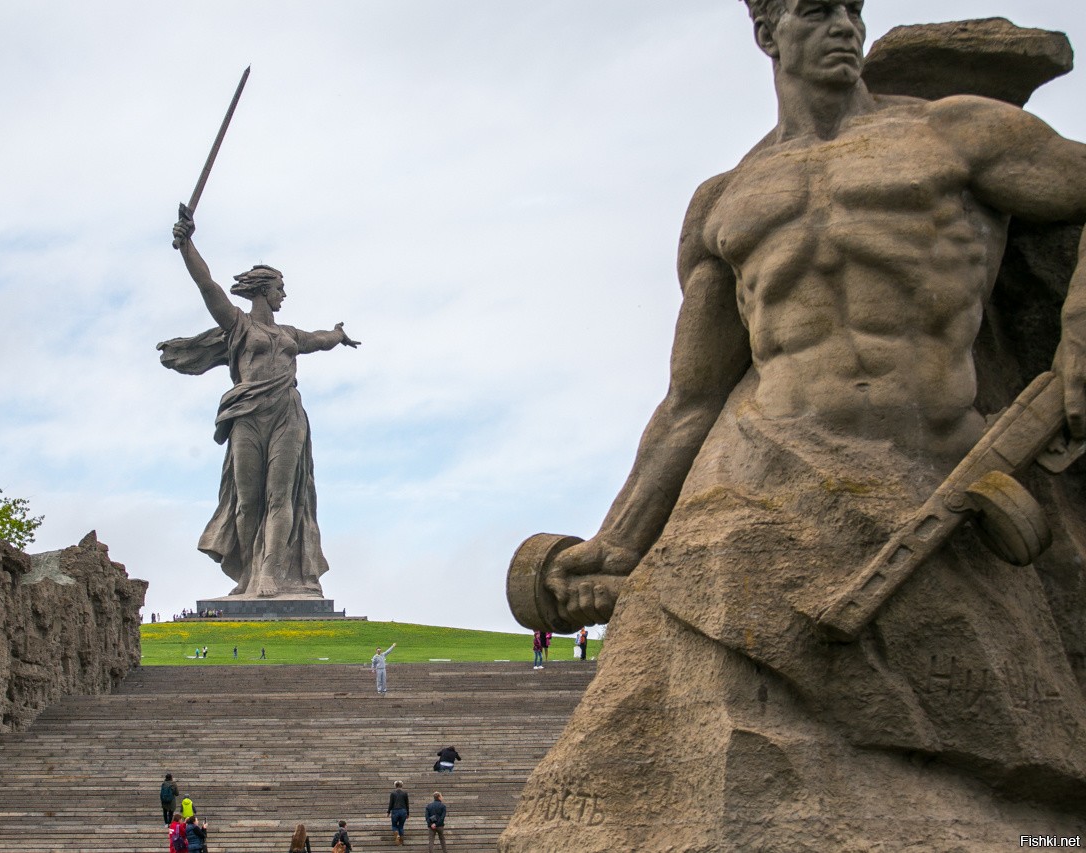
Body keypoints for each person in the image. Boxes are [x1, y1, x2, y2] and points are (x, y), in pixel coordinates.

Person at [503, 1, 1086, 848]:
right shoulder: (727, 201)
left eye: (854, 8)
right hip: (758, 485)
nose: (844, 25)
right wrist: (617, 541)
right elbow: (692, 399)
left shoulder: (955, 137)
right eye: (818, 9)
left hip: (933, 468)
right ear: (768, 31)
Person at [164, 219, 360, 600]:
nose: (283, 295)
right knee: (248, 500)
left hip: (287, 414)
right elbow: (208, 286)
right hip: (247, 417)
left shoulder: (288, 335)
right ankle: (248, 573)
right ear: (263, 290)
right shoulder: (238, 326)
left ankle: (271, 573)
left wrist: (338, 334)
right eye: (280, 288)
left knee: (281, 496)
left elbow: (319, 340)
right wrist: (188, 245)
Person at [387, 780, 410, 845]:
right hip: (403, 811)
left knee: (394, 825)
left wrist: (388, 812)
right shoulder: (405, 793)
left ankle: (396, 834)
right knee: (401, 826)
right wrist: (408, 813)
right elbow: (407, 804)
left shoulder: (393, 793)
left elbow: (391, 803)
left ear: (395, 786)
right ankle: (401, 841)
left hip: (395, 810)